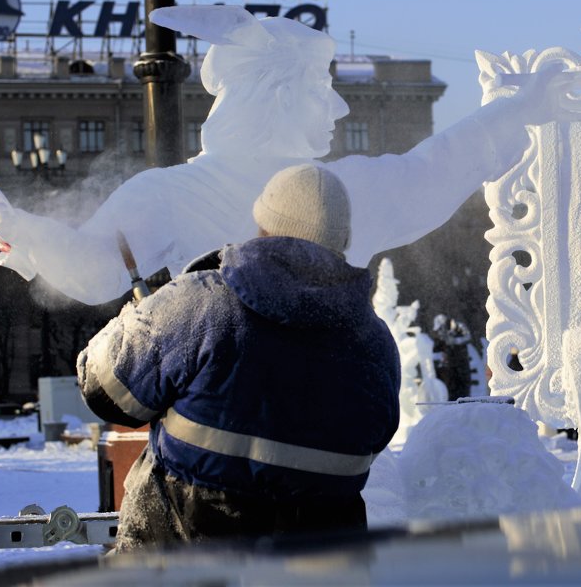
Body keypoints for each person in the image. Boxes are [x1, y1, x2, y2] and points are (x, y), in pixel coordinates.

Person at [0, 5, 581, 305]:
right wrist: (520, 108)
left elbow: (93, 273)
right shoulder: (335, 197)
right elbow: (435, 171)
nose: (340, 110)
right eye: (324, 89)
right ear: (278, 95)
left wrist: (26, 232)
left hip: (209, 463)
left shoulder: (165, 195)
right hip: (315, 463)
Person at [77, 163, 398, 549]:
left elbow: (102, 388)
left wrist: (142, 320)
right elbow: (372, 441)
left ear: (263, 225)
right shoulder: (376, 344)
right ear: (340, 241)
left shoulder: (204, 304)